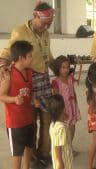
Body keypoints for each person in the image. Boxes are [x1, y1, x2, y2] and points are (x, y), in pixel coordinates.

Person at [0, 2, 54, 165]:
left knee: (47, 117)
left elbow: (47, 56)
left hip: (44, 80)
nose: (46, 28)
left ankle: (44, 152)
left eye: (49, 25)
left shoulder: (45, 34)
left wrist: (59, 68)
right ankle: (30, 155)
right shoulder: (20, 31)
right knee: (31, 119)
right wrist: (2, 67)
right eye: (44, 24)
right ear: (35, 16)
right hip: (29, 79)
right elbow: (8, 52)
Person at [0, 41, 36, 169]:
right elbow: (1, 95)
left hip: (29, 119)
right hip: (15, 123)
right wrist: (14, 99)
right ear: (21, 58)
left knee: (29, 147)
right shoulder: (9, 74)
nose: (32, 58)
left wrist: (33, 99)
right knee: (17, 154)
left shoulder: (30, 72)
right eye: (30, 55)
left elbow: (29, 91)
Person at [51, 55, 81, 154]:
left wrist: (76, 103)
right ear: (57, 68)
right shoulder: (56, 81)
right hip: (63, 109)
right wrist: (60, 111)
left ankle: (69, 146)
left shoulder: (70, 78)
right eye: (63, 67)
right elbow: (55, 97)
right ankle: (61, 148)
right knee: (63, 129)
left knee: (72, 127)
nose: (66, 70)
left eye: (67, 67)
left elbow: (73, 91)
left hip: (72, 106)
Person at [49, 94, 73, 169]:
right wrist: (60, 163)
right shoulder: (61, 129)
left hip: (58, 161)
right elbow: (57, 148)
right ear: (62, 110)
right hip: (64, 162)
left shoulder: (53, 124)